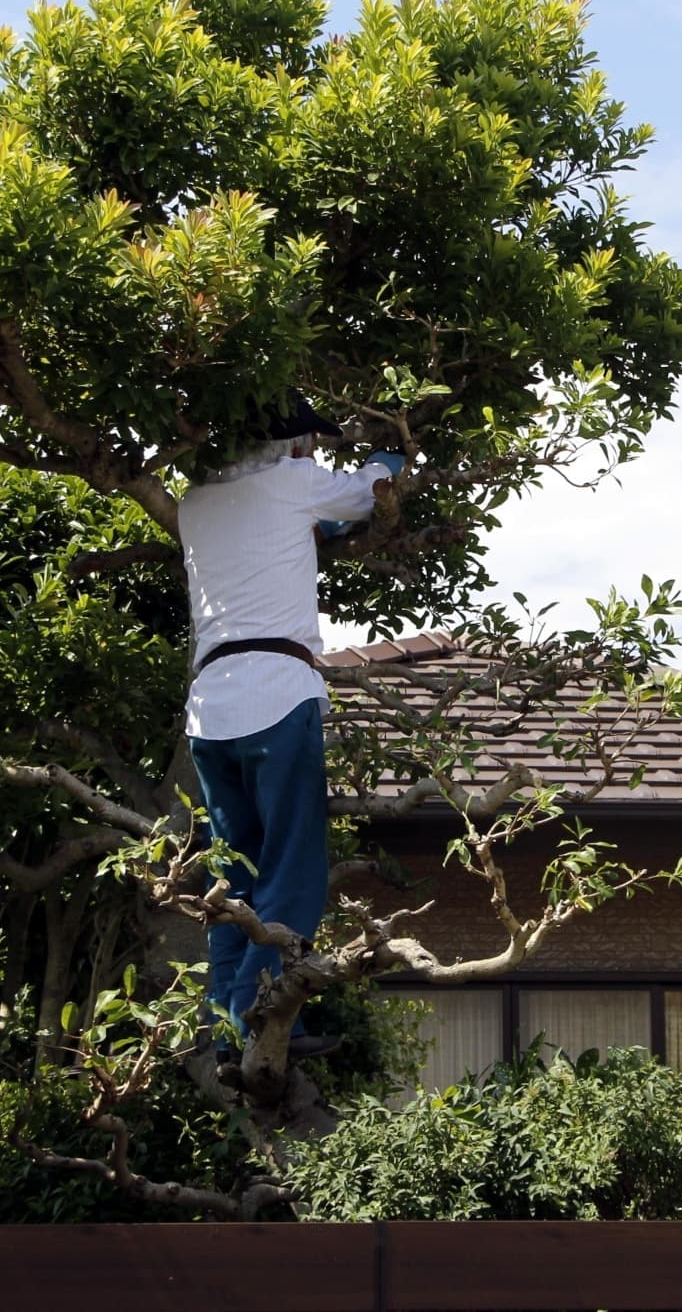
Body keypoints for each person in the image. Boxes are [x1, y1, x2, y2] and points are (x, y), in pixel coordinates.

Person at [179, 396, 403, 1061]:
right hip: (278, 693)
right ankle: (264, 1016)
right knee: (292, 866)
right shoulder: (295, 481)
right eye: (310, 438)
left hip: (210, 707)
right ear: (292, 441)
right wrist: (385, 458)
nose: (313, 449)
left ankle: (224, 1026)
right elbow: (366, 494)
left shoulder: (195, 502)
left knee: (234, 872)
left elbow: (265, 543)